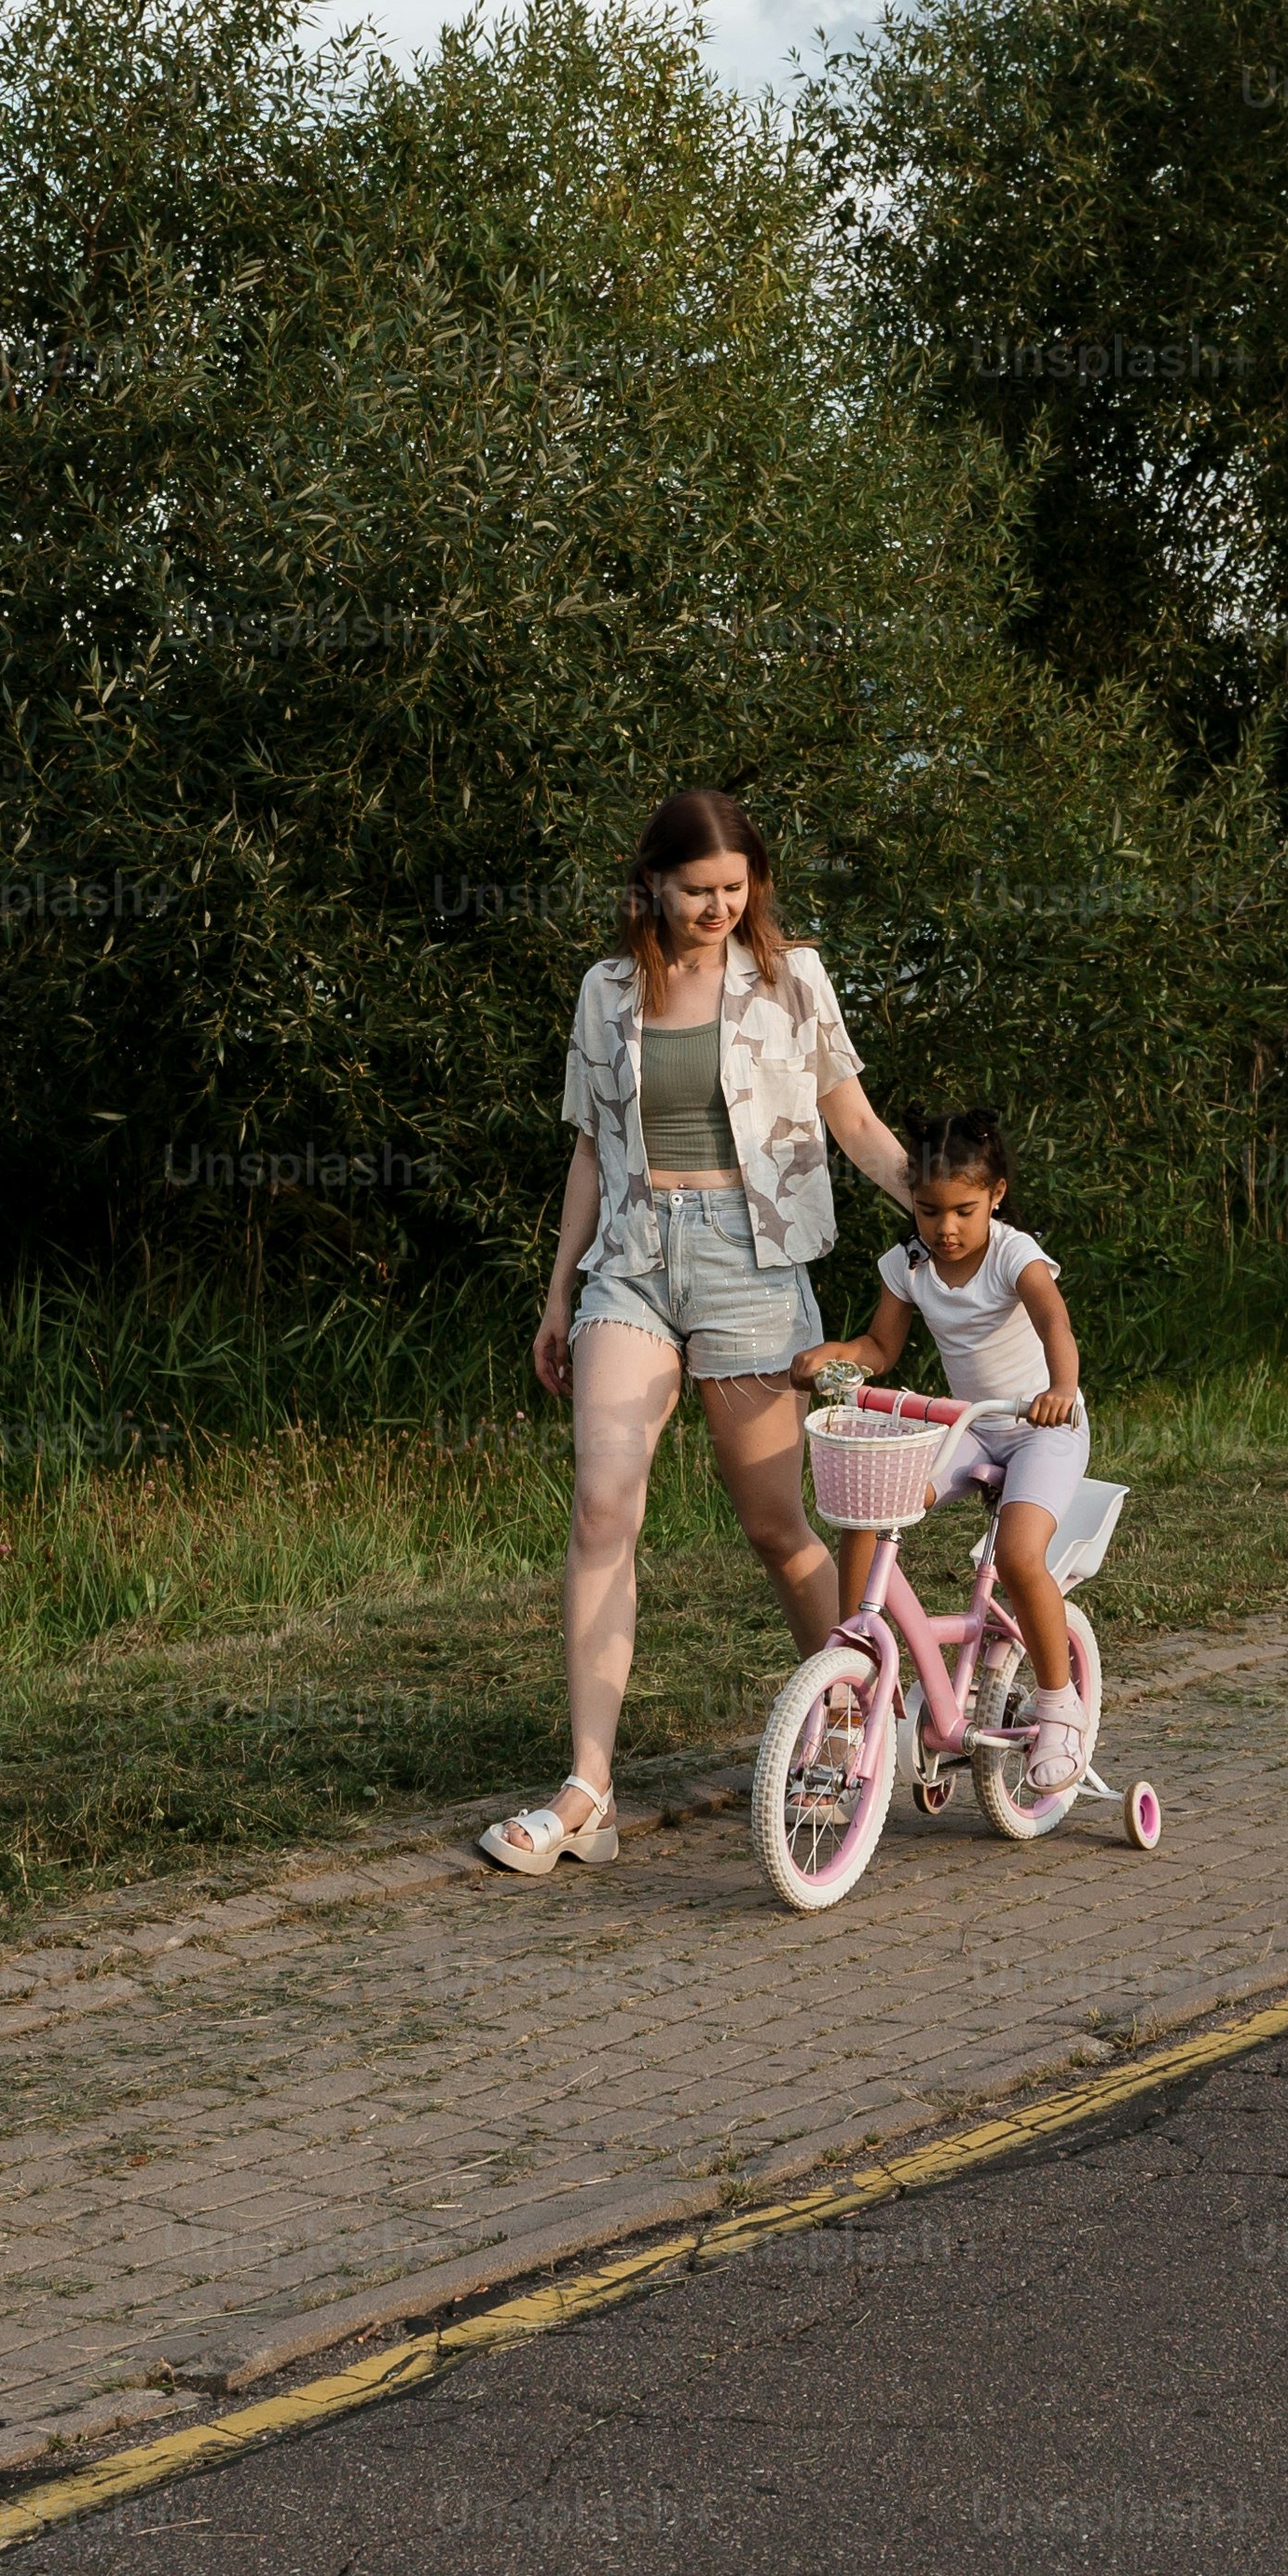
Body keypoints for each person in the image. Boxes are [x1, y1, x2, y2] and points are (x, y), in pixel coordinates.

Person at [486, 788, 921, 1874]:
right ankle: (588, 1790)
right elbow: (590, 1150)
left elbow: (852, 1119)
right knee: (601, 1506)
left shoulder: (791, 978)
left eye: (735, 888)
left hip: (749, 1263)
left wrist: (941, 1209)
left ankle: (853, 1714)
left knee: (774, 1525)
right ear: (651, 884)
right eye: (697, 890)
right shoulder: (607, 990)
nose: (719, 906)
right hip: (631, 1262)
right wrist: (558, 1294)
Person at [801, 1105, 1097, 1798]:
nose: (946, 1229)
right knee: (870, 1509)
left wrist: (1061, 1389)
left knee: (1019, 1556)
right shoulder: (910, 1265)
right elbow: (879, 1348)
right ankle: (856, 1670)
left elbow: (1053, 1321)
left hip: (1042, 1428)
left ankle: (1058, 1705)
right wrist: (834, 1356)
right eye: (929, 1211)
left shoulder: (1013, 1255)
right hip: (972, 1428)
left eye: (964, 1211)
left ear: (995, 1196)